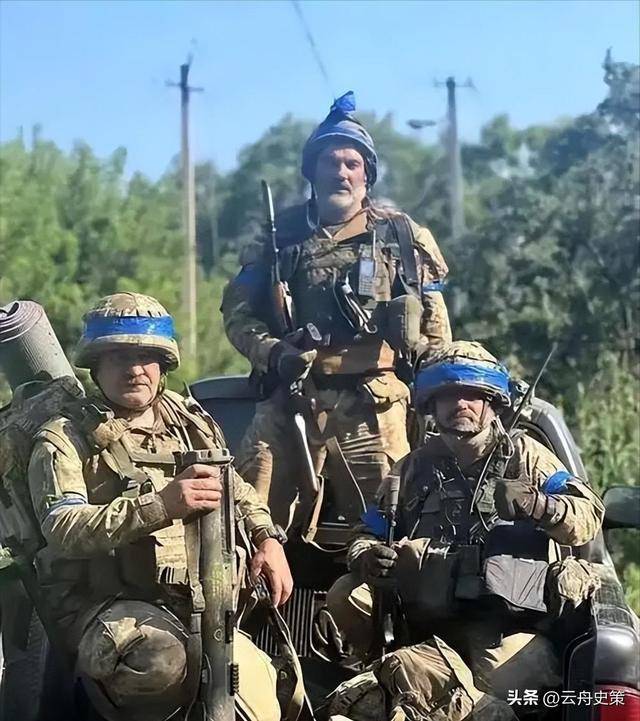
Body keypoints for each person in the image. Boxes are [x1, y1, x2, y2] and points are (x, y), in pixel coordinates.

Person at [27, 292, 295, 721]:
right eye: (119, 357)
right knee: (160, 662)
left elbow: (235, 487)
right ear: (96, 365)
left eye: (146, 357)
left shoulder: (188, 422)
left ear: (163, 364)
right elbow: (63, 528)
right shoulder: (64, 437)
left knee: (270, 693)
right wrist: (160, 506)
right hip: (102, 606)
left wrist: (268, 538)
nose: (135, 369)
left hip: (198, 605)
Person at [324, 341, 604, 721]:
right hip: (426, 620)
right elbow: (366, 532)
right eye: (448, 395)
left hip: (502, 627)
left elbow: (588, 514)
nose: (461, 404)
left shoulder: (526, 456)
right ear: (431, 405)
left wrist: (540, 505)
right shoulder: (411, 470)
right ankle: (389, 669)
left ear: (492, 402)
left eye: (472, 395)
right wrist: (369, 557)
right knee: (347, 591)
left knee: (518, 698)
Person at [222, 91, 452, 533]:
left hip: (374, 404)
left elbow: (436, 331)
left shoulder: (402, 237)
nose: (341, 173)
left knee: (392, 527)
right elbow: (238, 315)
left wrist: (436, 396)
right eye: (330, 162)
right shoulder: (278, 239)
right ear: (312, 171)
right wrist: (274, 353)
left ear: (367, 174)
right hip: (292, 399)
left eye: (352, 163)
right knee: (245, 520)